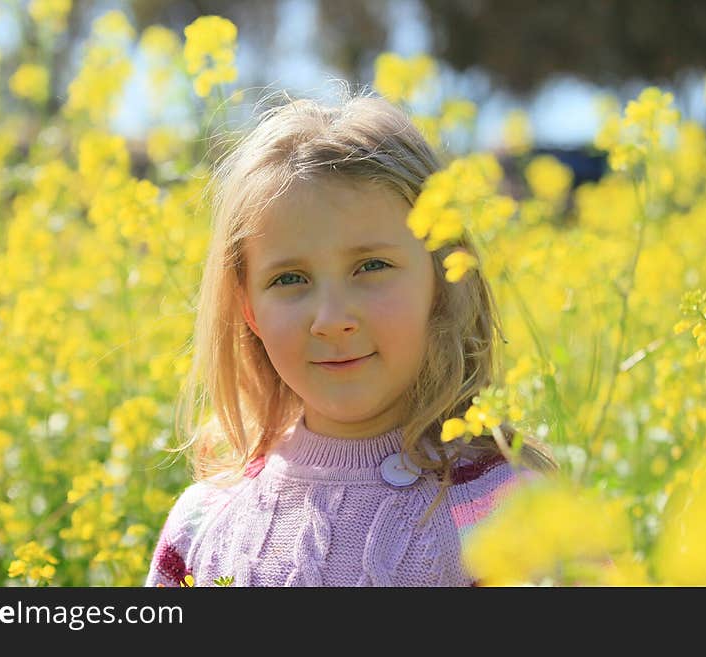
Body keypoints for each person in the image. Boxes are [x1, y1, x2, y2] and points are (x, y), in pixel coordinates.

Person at [144, 86, 557, 587]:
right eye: (289, 278)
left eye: (371, 266)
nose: (332, 318)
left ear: (444, 280)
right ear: (248, 308)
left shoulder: (509, 508)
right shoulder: (204, 521)